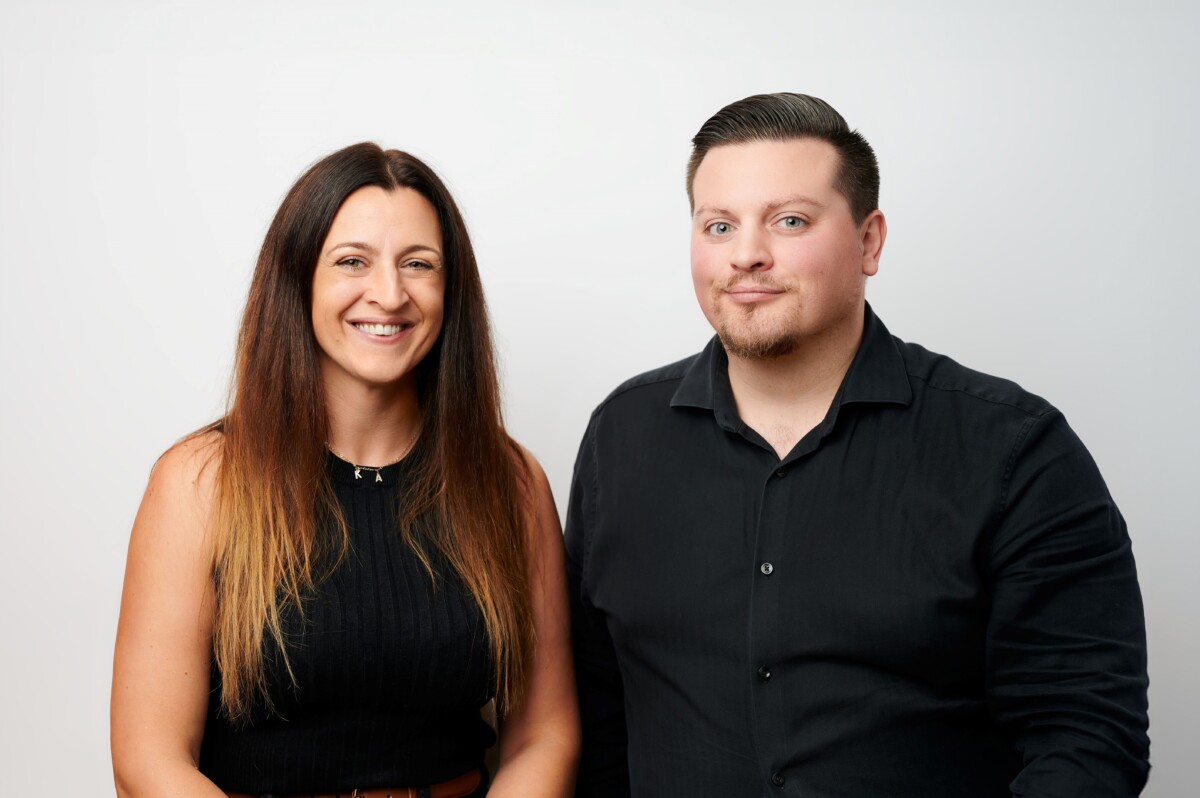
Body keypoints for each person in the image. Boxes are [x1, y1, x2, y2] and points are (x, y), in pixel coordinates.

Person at [566, 93, 1149, 797]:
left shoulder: (1016, 450)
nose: (747, 255)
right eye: (719, 226)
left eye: (789, 221)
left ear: (869, 242)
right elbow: (597, 716)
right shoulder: (621, 436)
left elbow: (1087, 737)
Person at [112, 143, 579, 797]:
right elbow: (148, 757)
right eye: (353, 261)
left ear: (451, 290)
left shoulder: (510, 482)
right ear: (298, 278)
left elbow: (544, 735)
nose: (389, 294)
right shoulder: (200, 483)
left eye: (418, 264)